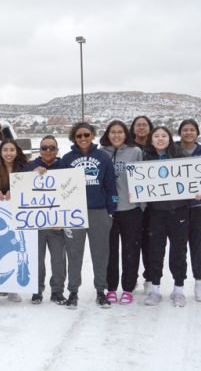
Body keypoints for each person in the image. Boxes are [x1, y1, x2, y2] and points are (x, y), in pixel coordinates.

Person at [60, 123, 117, 309]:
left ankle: (101, 291)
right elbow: (59, 187)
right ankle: (73, 292)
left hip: (98, 211)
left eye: (86, 134)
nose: (83, 138)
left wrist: (111, 208)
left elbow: (110, 185)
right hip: (74, 213)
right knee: (74, 253)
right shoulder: (67, 159)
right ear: (73, 138)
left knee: (100, 254)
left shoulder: (103, 157)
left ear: (92, 135)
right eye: (78, 136)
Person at [142, 126, 192, 308]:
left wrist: (198, 191)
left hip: (179, 211)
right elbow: (139, 183)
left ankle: (178, 290)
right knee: (156, 250)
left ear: (170, 139)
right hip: (156, 212)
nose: (160, 139)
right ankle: (155, 290)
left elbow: (192, 179)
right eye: (156, 136)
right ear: (151, 139)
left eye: (164, 136)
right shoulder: (145, 158)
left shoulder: (180, 157)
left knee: (179, 251)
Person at [99, 120, 144, 305]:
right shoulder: (101, 153)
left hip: (131, 210)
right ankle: (110, 288)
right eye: (113, 132)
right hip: (109, 211)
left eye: (120, 132)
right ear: (107, 134)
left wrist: (142, 205)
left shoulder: (135, 152)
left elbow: (143, 179)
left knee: (130, 250)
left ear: (126, 134)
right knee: (109, 251)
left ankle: (128, 288)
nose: (116, 135)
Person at [24, 136, 67, 305]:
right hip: (36, 223)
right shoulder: (29, 166)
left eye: (52, 148)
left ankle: (57, 291)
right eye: (44, 148)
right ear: (39, 150)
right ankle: (37, 290)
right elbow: (21, 188)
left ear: (57, 150)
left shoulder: (65, 166)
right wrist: (31, 176)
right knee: (36, 259)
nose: (48, 151)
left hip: (57, 223)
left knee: (58, 259)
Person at [0, 139, 28, 306]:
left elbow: (29, 187)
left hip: (17, 217)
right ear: (0, 152)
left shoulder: (23, 168)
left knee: (13, 252)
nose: (8, 153)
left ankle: (12, 289)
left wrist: (15, 190)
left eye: (11, 150)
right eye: (5, 150)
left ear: (16, 151)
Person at [177, 119, 201, 302]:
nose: (188, 133)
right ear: (180, 132)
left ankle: (198, 283)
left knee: (198, 246)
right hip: (178, 207)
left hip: (199, 207)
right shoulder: (174, 150)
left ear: (197, 133)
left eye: (192, 130)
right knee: (179, 248)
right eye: (185, 130)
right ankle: (179, 285)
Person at [129, 115, 154, 293]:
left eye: (144, 125)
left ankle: (150, 277)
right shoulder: (128, 147)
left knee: (150, 242)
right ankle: (131, 277)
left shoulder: (156, 146)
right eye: (138, 125)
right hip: (132, 204)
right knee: (132, 243)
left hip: (153, 204)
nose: (141, 128)